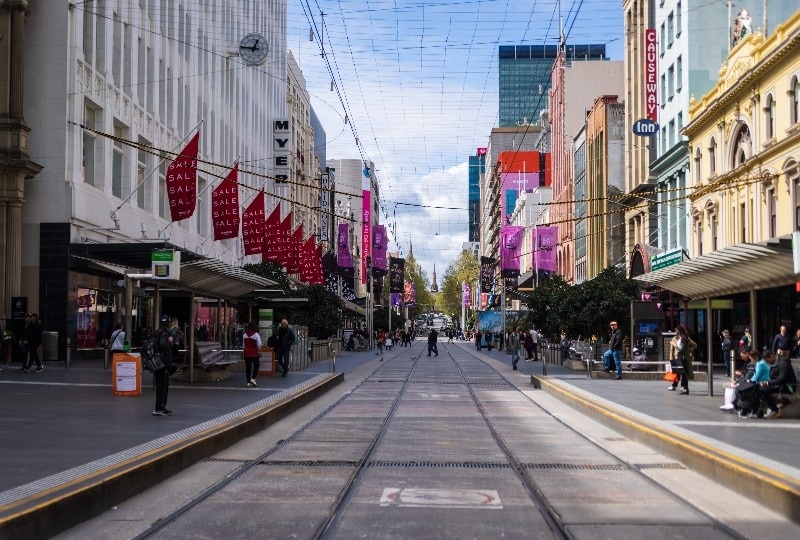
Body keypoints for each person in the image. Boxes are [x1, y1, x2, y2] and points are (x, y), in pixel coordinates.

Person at [760, 350, 797, 419]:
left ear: (771, 356)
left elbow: (782, 379)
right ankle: (767, 410)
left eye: (767, 360)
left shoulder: (783, 363)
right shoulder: (777, 363)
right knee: (759, 388)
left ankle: (775, 410)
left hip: (788, 387)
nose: (768, 362)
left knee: (763, 390)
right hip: (781, 385)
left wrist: (768, 383)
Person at [152, 314, 174, 416]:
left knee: (159, 385)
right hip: (163, 363)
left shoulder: (157, 332)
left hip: (157, 362)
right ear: (168, 322)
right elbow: (163, 345)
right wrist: (170, 343)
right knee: (164, 386)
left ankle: (159, 407)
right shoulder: (165, 333)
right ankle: (160, 408)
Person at [668, 324, 697, 394]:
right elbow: (672, 350)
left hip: (683, 358)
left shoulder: (685, 338)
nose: (676, 332)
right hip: (677, 357)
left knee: (683, 373)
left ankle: (683, 387)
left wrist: (688, 350)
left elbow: (694, 345)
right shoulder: (674, 338)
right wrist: (671, 358)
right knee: (677, 372)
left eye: (677, 330)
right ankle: (676, 386)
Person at [242, 321, 261, 387]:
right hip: (254, 352)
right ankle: (253, 378)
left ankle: (248, 381)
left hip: (246, 353)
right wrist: (258, 349)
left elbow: (243, 345)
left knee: (248, 367)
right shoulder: (256, 335)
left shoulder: (244, 335)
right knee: (256, 365)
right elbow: (259, 344)